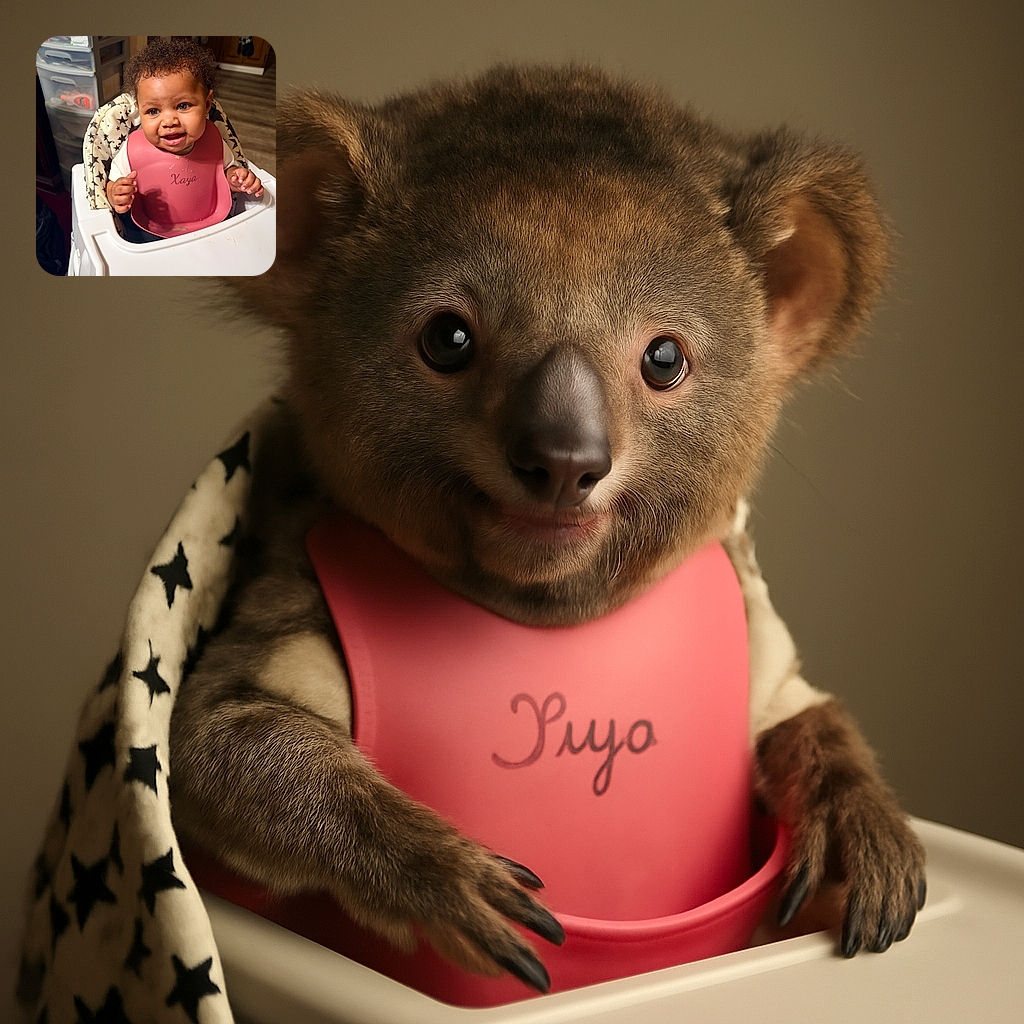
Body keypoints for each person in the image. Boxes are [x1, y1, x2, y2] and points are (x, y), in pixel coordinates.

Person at [105, 39, 263, 242]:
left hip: (211, 226)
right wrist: (115, 193)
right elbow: (111, 185)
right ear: (139, 111)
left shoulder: (214, 140)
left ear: (207, 104)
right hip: (151, 233)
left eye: (183, 106)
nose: (169, 121)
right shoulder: (131, 150)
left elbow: (223, 172)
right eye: (153, 111)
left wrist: (237, 178)